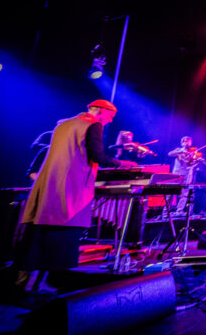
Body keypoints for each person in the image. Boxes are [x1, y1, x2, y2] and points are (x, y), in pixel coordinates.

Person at [17, 99, 137, 293]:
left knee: (38, 235)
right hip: (70, 189)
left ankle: (26, 281)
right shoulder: (92, 124)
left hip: (48, 186)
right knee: (61, 237)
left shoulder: (62, 124)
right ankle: (48, 283)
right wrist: (122, 164)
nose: (110, 121)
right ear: (99, 110)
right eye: (110, 116)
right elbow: (97, 155)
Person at [168, 136, 206, 215]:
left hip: (187, 174)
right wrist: (181, 151)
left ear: (190, 143)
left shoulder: (193, 152)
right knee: (171, 192)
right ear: (182, 142)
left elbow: (191, 165)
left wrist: (197, 161)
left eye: (188, 141)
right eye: (184, 141)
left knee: (184, 193)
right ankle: (166, 211)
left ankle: (179, 211)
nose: (186, 142)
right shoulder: (179, 150)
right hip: (177, 173)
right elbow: (170, 154)